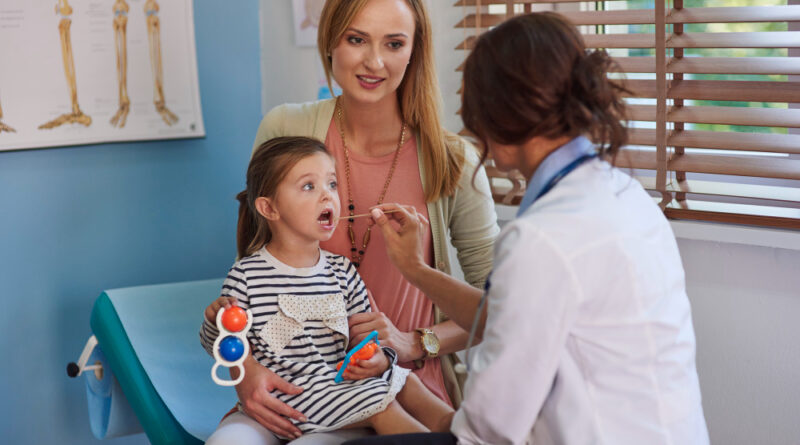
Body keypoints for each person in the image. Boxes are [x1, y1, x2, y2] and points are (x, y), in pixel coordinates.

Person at [350, 12, 710, 445]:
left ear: (498, 115)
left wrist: (401, 393)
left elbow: (486, 429)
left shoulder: (542, 238)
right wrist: (416, 269)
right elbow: (504, 315)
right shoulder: (626, 196)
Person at [232, 0, 499, 442]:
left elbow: (501, 308)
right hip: (291, 387)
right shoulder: (284, 128)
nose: (374, 62)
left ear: (414, 51)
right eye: (357, 39)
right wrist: (247, 371)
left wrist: (416, 342)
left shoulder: (452, 161)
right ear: (331, 42)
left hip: (404, 395)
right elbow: (253, 276)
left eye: (394, 44)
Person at [200, 137, 454, 443]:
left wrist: (377, 358)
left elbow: (368, 340)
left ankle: (454, 426)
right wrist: (216, 320)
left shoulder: (342, 271)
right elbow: (224, 346)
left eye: (332, 184)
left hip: (335, 390)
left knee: (401, 377)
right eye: (309, 186)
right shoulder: (245, 276)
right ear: (269, 208)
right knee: (378, 402)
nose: (327, 196)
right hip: (287, 397)